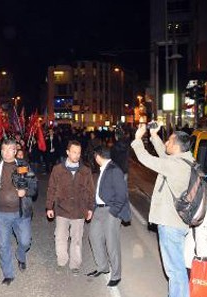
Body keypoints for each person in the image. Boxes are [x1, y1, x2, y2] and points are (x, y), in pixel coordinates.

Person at [131, 123, 194, 297]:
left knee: (175, 270)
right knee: (177, 267)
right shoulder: (185, 160)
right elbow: (164, 156)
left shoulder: (176, 166)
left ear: (176, 146)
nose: (166, 143)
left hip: (170, 224)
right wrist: (154, 136)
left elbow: (147, 160)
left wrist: (137, 139)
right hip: (178, 222)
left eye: (168, 141)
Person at [0, 138, 37, 285]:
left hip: (21, 212)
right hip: (2, 213)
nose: (6, 152)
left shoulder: (23, 166)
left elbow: (34, 186)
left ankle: (21, 255)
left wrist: (26, 191)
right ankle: (8, 274)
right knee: (3, 245)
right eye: (3, 149)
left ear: (15, 151)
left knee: (25, 241)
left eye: (10, 149)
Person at [45, 140, 95, 275]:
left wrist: (90, 208)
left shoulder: (85, 171)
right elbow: (51, 188)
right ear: (68, 152)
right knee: (60, 237)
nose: (77, 155)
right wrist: (49, 206)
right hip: (62, 209)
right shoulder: (58, 169)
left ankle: (75, 265)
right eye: (74, 152)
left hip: (79, 211)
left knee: (77, 239)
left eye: (79, 153)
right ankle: (61, 261)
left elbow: (91, 191)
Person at [86, 146, 130, 286]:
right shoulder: (104, 169)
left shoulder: (114, 170)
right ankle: (102, 267)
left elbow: (122, 194)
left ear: (98, 156)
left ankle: (116, 275)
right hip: (99, 210)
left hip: (110, 210)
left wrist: (114, 212)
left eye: (94, 156)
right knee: (93, 236)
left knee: (112, 243)